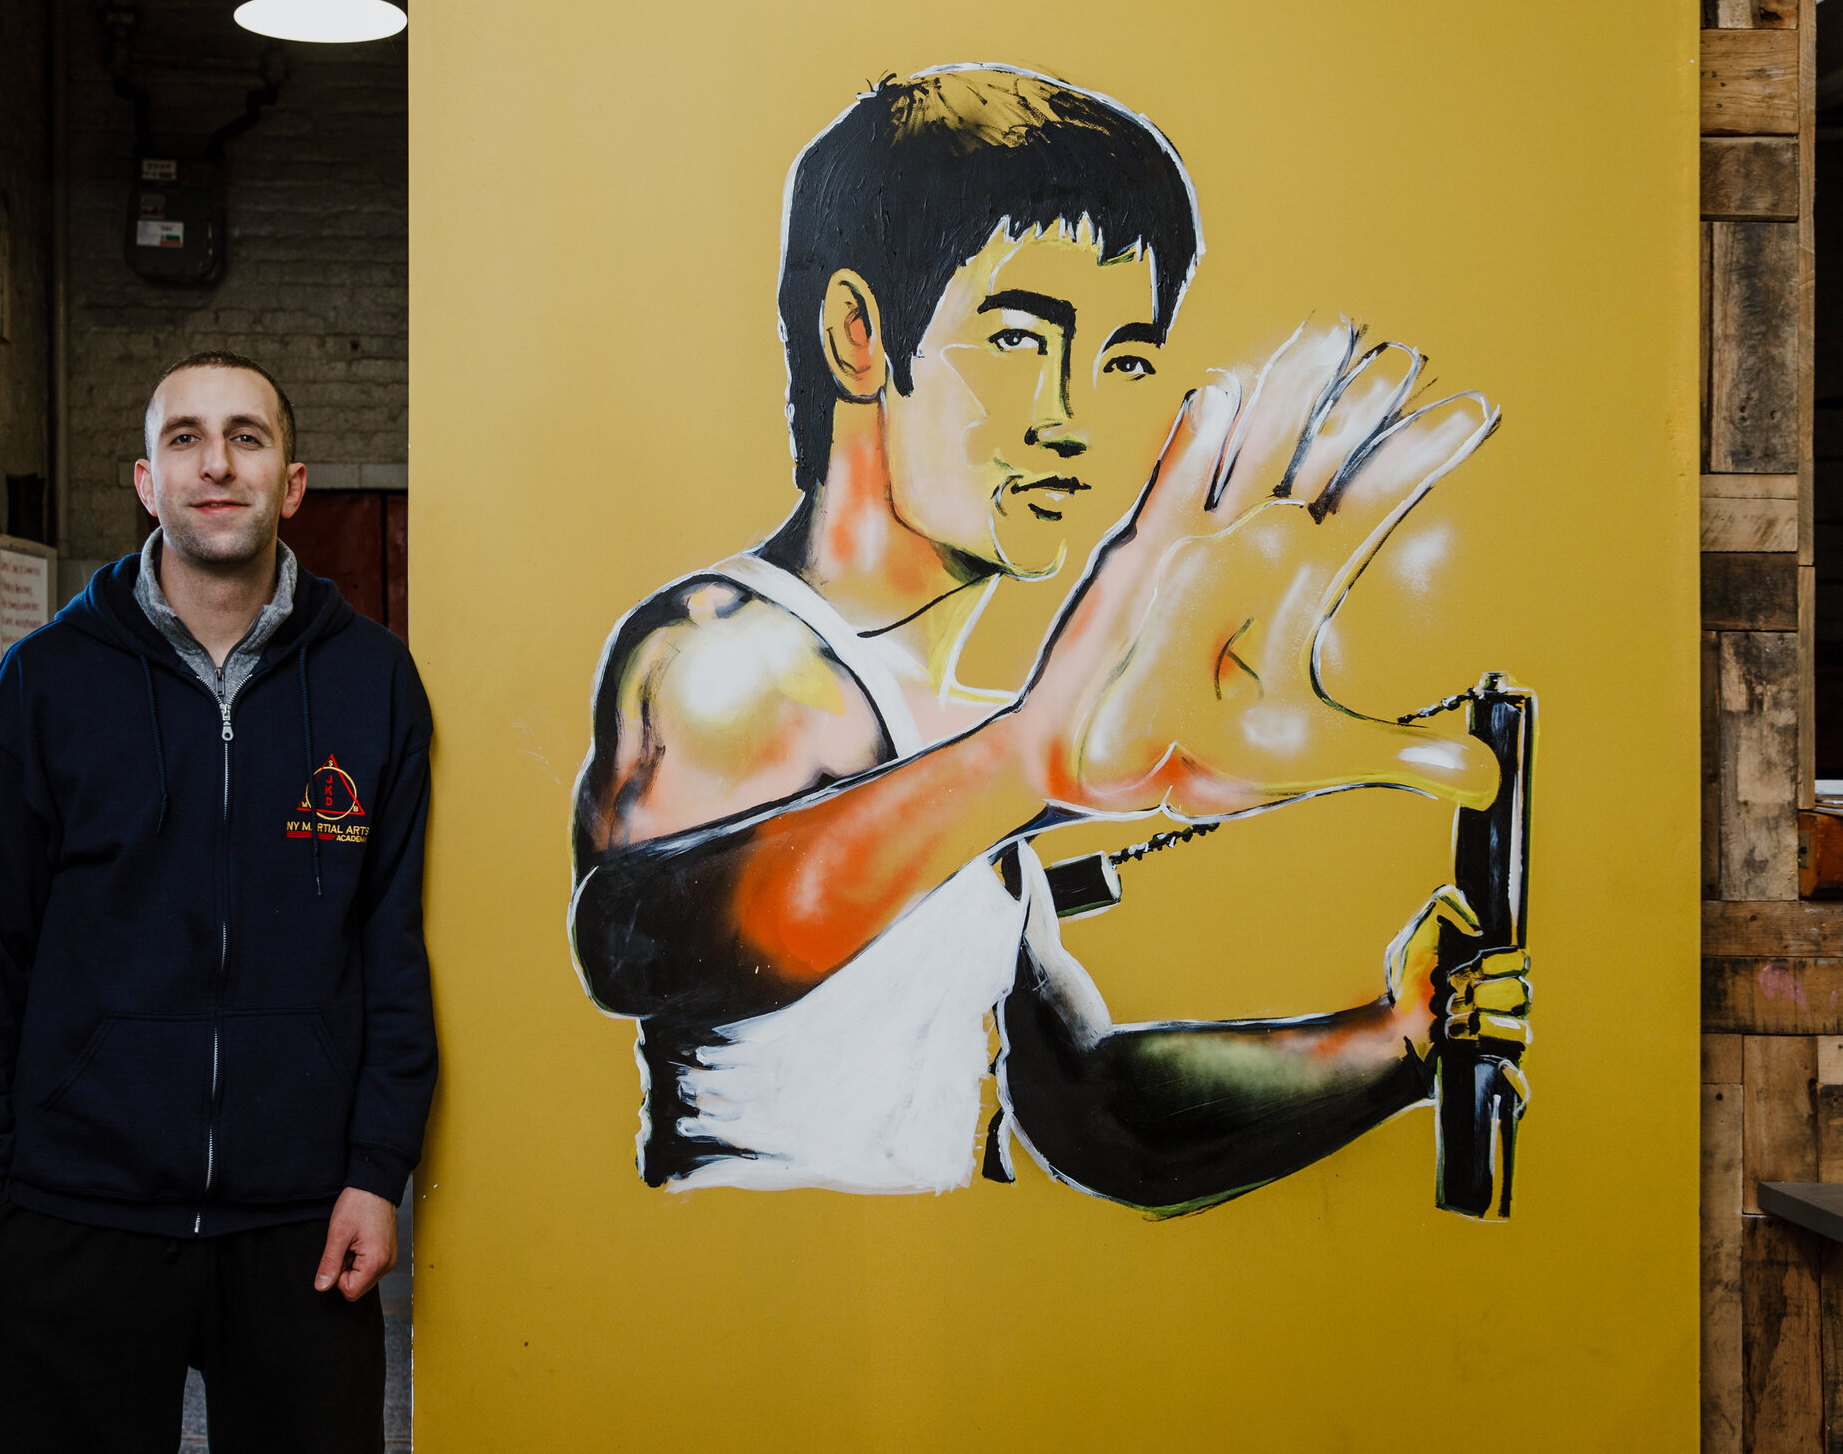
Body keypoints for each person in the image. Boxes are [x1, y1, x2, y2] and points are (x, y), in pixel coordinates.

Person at [568, 65, 1530, 1209]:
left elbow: (1090, 1111)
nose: (1073, 416)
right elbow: (637, 942)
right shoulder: (725, 650)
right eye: (1022, 339)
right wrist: (1024, 762)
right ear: (858, 332)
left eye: (1123, 357)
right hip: (748, 1325)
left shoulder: (972, 747)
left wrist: (1397, 1041)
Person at [0, 351, 435, 1451]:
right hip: (69, 1211)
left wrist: (375, 1172)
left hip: (300, 1219)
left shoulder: (373, 682)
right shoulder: (42, 685)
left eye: (247, 436)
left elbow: (391, 947)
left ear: (290, 482)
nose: (217, 462)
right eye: (186, 437)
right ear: (147, 481)